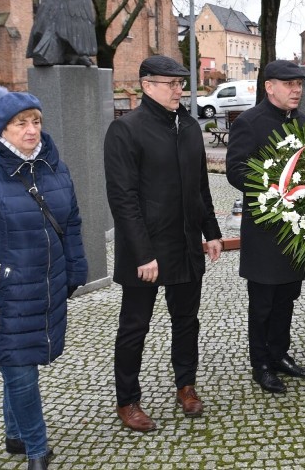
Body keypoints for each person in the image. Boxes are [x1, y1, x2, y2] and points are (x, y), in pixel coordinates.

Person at [0, 86, 88, 470]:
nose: (31, 130)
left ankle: (14, 434)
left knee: (20, 363)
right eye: (20, 123)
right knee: (21, 371)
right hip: (4, 294)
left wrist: (75, 269)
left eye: (36, 121)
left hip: (44, 289)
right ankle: (36, 449)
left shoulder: (54, 167)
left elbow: (71, 223)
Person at [104, 55, 222, 432]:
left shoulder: (187, 126)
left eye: (180, 84)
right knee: (135, 327)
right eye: (170, 84)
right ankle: (128, 401)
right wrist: (143, 253)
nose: (179, 90)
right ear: (146, 85)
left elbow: (199, 185)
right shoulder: (126, 130)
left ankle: (186, 385)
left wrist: (212, 231)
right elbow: (122, 198)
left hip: (186, 244)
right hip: (148, 252)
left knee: (186, 321)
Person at [226, 60, 305, 394]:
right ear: (269, 86)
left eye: (299, 84)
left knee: (287, 297)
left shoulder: (304, 123)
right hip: (265, 230)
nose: (297, 90)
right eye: (289, 84)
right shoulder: (250, 122)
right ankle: (261, 363)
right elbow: (235, 170)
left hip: (297, 229)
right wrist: (274, 185)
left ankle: (280, 355)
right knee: (263, 301)